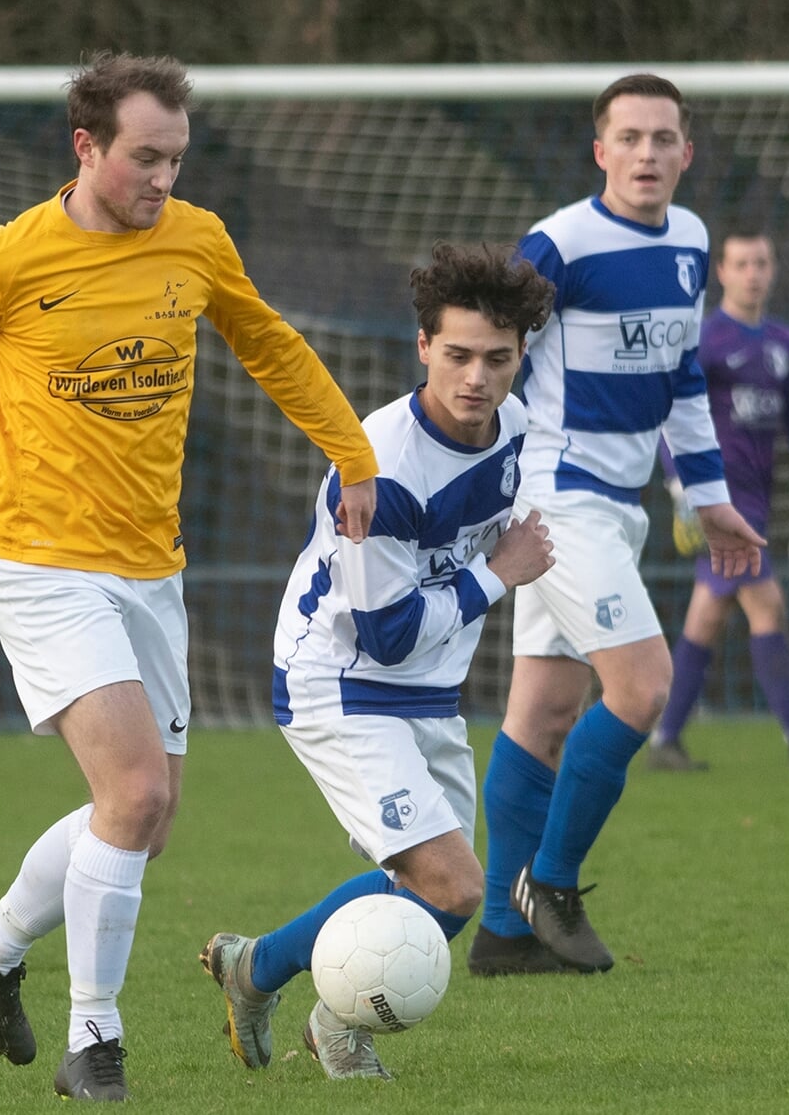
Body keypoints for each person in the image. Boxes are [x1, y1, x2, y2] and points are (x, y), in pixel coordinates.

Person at [0, 51, 380, 1103]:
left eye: (174, 157)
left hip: (149, 571)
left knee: (147, 817)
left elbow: (269, 346)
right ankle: (94, 1040)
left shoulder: (196, 240)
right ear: (84, 146)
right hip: (38, 561)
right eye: (141, 158)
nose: (160, 178)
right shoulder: (7, 258)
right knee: (127, 790)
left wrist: (352, 454)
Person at [201, 243, 556, 1083]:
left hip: (429, 686)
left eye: (496, 359)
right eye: (458, 354)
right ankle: (327, 1022)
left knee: (446, 896)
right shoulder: (380, 468)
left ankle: (262, 972)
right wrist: (497, 574)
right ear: (423, 347)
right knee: (456, 884)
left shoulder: (516, 428)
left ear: (520, 358)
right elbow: (386, 632)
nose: (476, 377)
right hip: (342, 680)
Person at [470, 74, 766, 978]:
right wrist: (484, 476)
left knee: (544, 712)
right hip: (558, 500)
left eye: (662, 138)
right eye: (628, 138)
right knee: (641, 689)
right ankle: (548, 884)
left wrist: (705, 497)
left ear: (686, 152)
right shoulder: (559, 244)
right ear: (600, 152)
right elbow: (486, 358)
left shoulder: (688, 241)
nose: (646, 153)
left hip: (620, 503)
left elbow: (681, 380)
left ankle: (500, 935)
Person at [645, 232, 789, 772]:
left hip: (759, 499)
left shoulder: (783, 342)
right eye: (741, 263)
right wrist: (679, 486)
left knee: (707, 617)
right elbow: (671, 414)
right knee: (767, 605)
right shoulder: (709, 339)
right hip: (721, 499)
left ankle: (664, 739)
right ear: (721, 271)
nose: (752, 273)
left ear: (774, 267)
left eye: (761, 262)